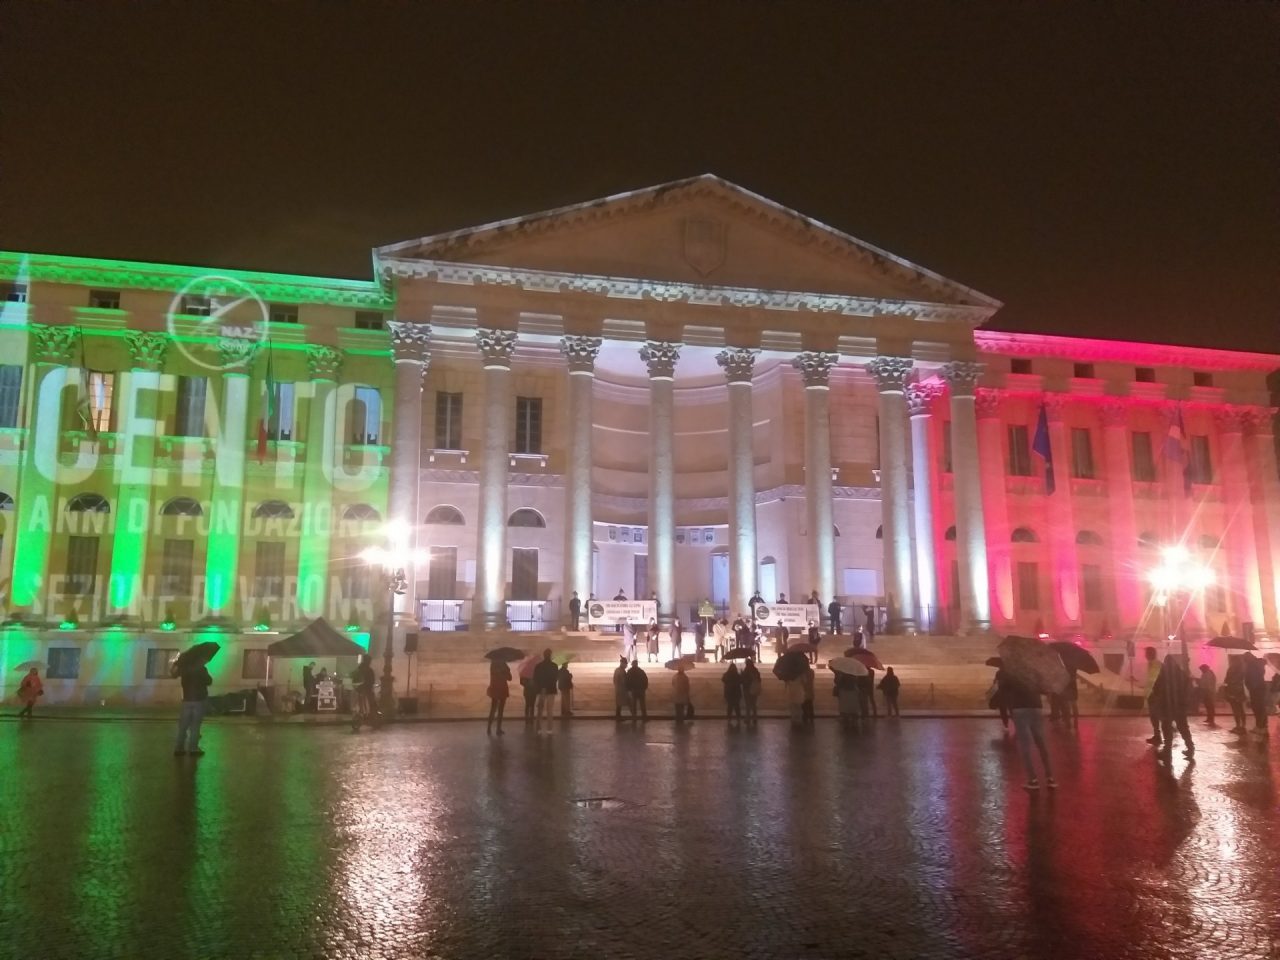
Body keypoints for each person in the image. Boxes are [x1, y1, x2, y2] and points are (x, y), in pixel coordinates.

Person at [996, 668, 1056, 790]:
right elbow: (1044, 688)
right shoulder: (1034, 671)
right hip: (1036, 707)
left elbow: (1003, 689)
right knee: (1041, 743)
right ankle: (1050, 777)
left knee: (1025, 745)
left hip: (1019, 708)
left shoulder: (1010, 672)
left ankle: (1032, 780)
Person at [1152, 653, 1194, 759]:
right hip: (1180, 706)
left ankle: (1167, 751)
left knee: (1167, 729)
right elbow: (1188, 688)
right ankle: (1190, 748)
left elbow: (1156, 688)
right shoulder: (1182, 674)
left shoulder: (1163, 674)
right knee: (1183, 728)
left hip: (1167, 706)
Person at [175, 659, 213, 755]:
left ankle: (179, 748)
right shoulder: (201, 669)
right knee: (195, 726)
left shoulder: (185, 670)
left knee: (183, 726)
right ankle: (193, 748)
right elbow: (209, 681)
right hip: (199, 700)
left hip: (187, 700)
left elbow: (182, 682)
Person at [532, 649, 559, 734]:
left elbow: (535, 678)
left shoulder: (538, 666)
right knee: (550, 710)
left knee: (540, 710)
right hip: (551, 689)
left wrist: (541, 686)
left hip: (541, 690)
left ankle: (538, 728)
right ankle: (549, 729)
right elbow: (555, 678)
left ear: (543, 655)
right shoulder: (554, 666)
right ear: (550, 655)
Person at [1243, 652, 1269, 736]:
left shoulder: (1252, 665)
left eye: (1245, 659)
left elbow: (1252, 678)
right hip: (1258, 688)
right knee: (1260, 708)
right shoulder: (1257, 664)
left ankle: (1260, 727)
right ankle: (1261, 726)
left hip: (1256, 689)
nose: (1244, 661)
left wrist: (1251, 687)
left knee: (1258, 708)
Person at [350, 654, 378, 730]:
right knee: (372, 704)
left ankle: (363, 715)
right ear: (368, 661)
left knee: (360, 704)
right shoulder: (369, 670)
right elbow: (371, 681)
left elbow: (354, 677)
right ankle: (368, 716)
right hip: (366, 690)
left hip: (359, 690)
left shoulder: (359, 669)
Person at [1143, 647, 1164, 746]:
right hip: (1152, 694)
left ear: (1150, 654)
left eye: (1146, 653)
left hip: (1156, 695)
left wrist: (1154, 693)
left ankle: (1160, 737)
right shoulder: (1151, 664)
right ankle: (1157, 735)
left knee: (1156, 716)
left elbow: (1155, 680)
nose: (1145, 655)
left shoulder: (1156, 664)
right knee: (1154, 717)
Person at [1222, 655, 1248, 732]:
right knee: (1240, 709)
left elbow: (1226, 680)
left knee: (1236, 709)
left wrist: (1227, 685)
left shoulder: (1231, 669)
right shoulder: (1242, 669)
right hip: (1239, 691)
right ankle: (1242, 725)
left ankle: (1238, 726)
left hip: (1233, 691)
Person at [486, 658, 511, 735]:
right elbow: (510, 678)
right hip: (502, 689)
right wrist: (505, 671)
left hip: (495, 688)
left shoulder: (493, 665)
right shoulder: (504, 665)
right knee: (500, 710)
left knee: (493, 708)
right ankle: (498, 729)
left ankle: (489, 727)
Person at [741, 658, 761, 722]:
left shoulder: (746, 670)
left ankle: (748, 718)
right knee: (753, 704)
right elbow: (759, 679)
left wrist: (742, 674)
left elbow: (744, 680)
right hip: (754, 688)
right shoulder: (755, 670)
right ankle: (755, 717)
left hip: (747, 689)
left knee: (748, 704)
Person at [613, 656, 629, 721]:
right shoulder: (620, 671)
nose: (626, 665)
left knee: (619, 703)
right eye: (625, 664)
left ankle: (618, 716)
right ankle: (618, 716)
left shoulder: (618, 670)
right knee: (619, 703)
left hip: (618, 688)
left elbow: (614, 680)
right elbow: (623, 680)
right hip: (620, 689)